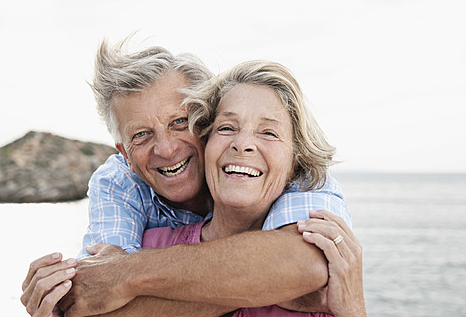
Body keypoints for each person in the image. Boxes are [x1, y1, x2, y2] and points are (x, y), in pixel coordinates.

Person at [20, 38, 353, 317]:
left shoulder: (299, 173)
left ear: (206, 120)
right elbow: (100, 294)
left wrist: (129, 273)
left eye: (179, 123)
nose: (165, 150)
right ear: (124, 153)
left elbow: (302, 264)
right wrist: (262, 286)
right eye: (141, 135)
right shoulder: (119, 182)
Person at [131, 59, 365, 316]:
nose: (242, 144)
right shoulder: (149, 246)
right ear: (205, 145)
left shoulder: (325, 264)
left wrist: (353, 311)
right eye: (227, 128)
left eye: (269, 133)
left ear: (295, 164)